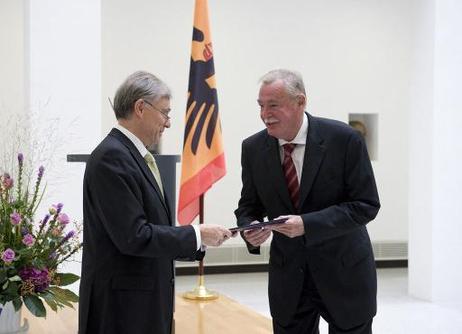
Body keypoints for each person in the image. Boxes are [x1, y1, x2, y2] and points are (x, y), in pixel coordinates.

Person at [79, 71, 232, 334]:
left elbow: (151, 225)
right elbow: (133, 236)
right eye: (165, 112)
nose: (168, 123)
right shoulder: (112, 157)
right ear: (140, 107)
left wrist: (199, 241)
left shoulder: (130, 155)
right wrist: (195, 233)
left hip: (140, 304)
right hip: (122, 310)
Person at [234, 69, 380, 334]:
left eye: (273, 105)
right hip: (289, 279)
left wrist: (307, 224)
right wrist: (250, 227)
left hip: (344, 273)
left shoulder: (345, 139)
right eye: (261, 105)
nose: (265, 114)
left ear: (300, 102)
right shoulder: (253, 148)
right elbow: (248, 205)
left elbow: (365, 205)